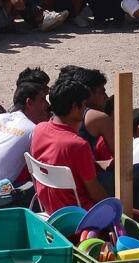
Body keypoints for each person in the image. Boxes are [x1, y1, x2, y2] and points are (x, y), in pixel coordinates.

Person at [30, 73, 106, 211]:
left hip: (50, 208)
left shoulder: (39, 129)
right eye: (84, 105)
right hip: (79, 213)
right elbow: (95, 193)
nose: (85, 110)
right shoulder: (78, 145)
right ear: (74, 108)